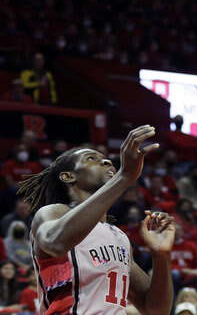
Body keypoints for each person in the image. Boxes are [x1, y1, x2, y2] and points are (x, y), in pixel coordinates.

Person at [17, 125, 175, 315]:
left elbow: (156, 310)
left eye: (106, 159)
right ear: (68, 176)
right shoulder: (53, 213)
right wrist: (124, 176)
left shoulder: (118, 236)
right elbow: (56, 244)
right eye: (92, 158)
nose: (107, 161)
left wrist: (161, 256)